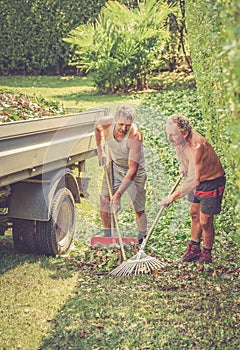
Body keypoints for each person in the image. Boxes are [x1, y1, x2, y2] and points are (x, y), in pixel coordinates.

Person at [161, 114, 226, 264]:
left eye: (172, 135)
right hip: (198, 180)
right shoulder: (180, 141)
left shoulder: (196, 146)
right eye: (168, 134)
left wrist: (171, 197)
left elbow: (192, 181)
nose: (169, 138)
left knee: (205, 220)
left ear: (184, 133)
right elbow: (183, 156)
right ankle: (194, 249)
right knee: (194, 214)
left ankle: (206, 253)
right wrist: (183, 166)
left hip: (211, 182)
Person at [94, 104, 147, 243]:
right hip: (114, 166)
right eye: (121, 124)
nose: (124, 128)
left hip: (134, 170)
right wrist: (100, 151)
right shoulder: (105, 124)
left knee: (138, 207)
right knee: (104, 200)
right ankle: (108, 238)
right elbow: (96, 126)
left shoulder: (135, 136)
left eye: (128, 125)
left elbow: (132, 169)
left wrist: (118, 195)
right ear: (115, 118)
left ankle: (142, 238)